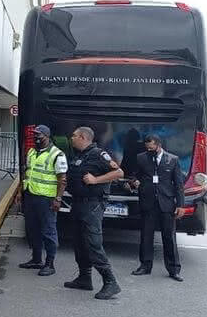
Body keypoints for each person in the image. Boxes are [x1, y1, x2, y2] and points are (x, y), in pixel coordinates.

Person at [63, 126, 124, 300]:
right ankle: (84, 278)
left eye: (73, 135)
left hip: (92, 206)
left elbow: (118, 172)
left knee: (93, 243)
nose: (71, 138)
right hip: (78, 204)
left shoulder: (99, 154)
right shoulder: (80, 155)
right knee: (79, 242)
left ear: (82, 137)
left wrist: (96, 180)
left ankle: (110, 282)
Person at [130, 134, 184, 281]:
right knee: (146, 236)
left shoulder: (172, 160)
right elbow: (134, 176)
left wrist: (180, 205)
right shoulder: (141, 158)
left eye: (151, 147)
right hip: (148, 203)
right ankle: (145, 266)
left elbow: (179, 185)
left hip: (166, 203)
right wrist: (134, 182)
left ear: (159, 145)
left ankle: (174, 269)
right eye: (147, 148)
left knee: (169, 237)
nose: (149, 150)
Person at [18, 124, 67, 276]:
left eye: (39, 135)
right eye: (35, 134)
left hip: (47, 199)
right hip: (31, 196)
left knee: (48, 231)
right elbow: (27, 173)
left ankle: (50, 264)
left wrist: (58, 199)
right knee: (33, 230)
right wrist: (20, 192)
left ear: (47, 136)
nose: (36, 137)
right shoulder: (32, 152)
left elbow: (62, 179)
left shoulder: (57, 154)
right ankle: (36, 259)